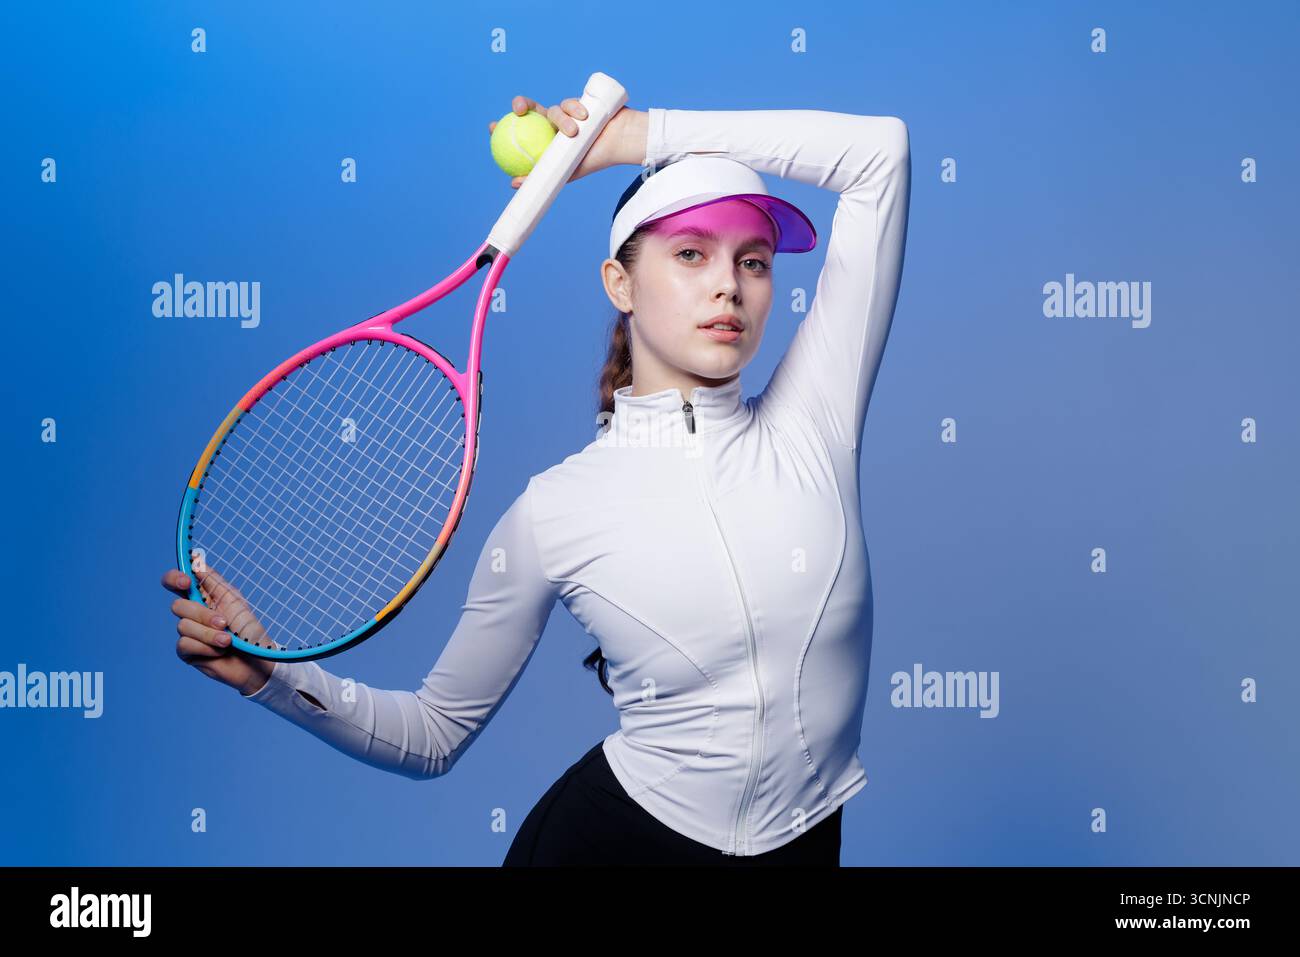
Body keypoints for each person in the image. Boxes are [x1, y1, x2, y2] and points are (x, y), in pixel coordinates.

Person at [162, 90, 911, 866]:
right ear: (620, 284)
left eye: (752, 260)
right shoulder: (553, 513)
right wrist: (273, 675)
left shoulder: (815, 421)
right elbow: (434, 733)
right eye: (690, 252)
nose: (729, 284)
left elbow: (879, 155)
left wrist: (632, 137)